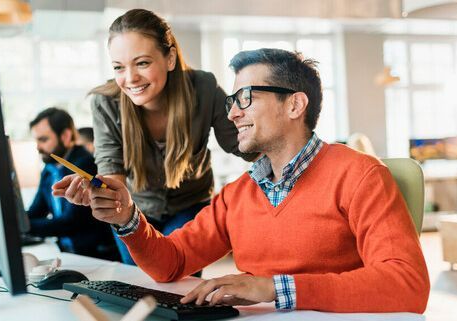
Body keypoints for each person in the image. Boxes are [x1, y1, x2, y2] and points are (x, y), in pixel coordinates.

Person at [55, 48, 430, 313]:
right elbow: (171, 263)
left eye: (246, 97)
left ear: (295, 105)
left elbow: (407, 284)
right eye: (232, 100)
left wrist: (272, 287)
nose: (232, 113)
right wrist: (127, 217)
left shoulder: (360, 175)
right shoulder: (238, 195)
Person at [58, 9, 255, 265]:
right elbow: (111, 171)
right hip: (133, 210)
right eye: (119, 67)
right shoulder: (105, 102)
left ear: (170, 58)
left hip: (190, 206)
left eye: (142, 63)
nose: (130, 79)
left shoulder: (203, 88)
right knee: (141, 284)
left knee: (179, 285)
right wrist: (98, 191)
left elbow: (244, 145)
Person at [28, 107, 119, 261]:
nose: (38, 147)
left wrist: (22, 228)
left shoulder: (84, 164)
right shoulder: (49, 169)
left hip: (95, 256)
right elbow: (37, 211)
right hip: (68, 253)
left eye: (43, 140)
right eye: (36, 140)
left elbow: (70, 222)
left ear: (65, 136)